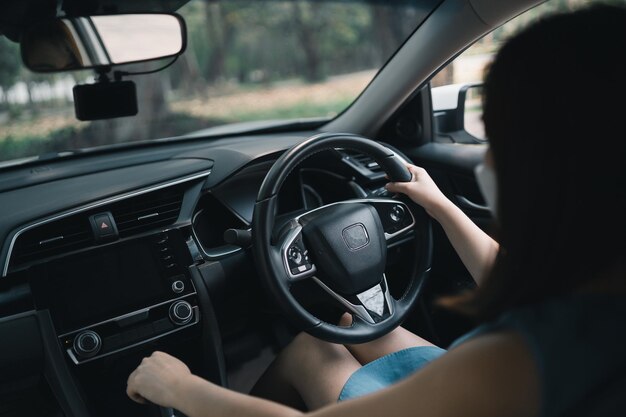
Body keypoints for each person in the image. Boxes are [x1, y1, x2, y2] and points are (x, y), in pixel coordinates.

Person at [126, 4, 626, 417]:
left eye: (497, 136)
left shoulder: (517, 362)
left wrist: (179, 388)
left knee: (314, 348)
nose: (489, 153)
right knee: (352, 330)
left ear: (546, 167)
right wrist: (440, 204)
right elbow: (510, 276)